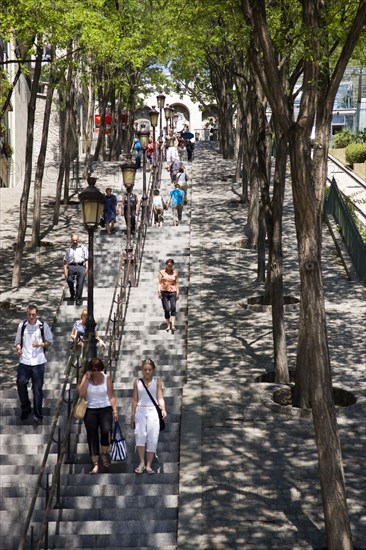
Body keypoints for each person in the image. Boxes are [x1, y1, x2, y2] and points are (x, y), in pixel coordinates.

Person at [77, 357, 119, 474]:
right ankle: (95, 462)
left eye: (98, 369)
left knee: (106, 431)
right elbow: (81, 393)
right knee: (92, 435)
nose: (96, 371)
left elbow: (111, 395)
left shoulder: (106, 378)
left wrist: (115, 410)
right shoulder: (87, 377)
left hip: (105, 408)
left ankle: (104, 454)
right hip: (90, 409)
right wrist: (87, 379)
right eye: (93, 369)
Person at [15, 304, 53, 424]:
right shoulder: (22, 326)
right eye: (29, 314)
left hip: (38, 361)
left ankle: (38, 415)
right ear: (27, 314)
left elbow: (50, 342)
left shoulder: (43, 326)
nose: (31, 316)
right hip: (24, 360)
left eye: (33, 314)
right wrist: (18, 349)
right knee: (21, 384)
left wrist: (40, 344)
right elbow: (17, 341)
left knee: (37, 389)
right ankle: (26, 407)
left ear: (37, 314)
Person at [131, 359, 167, 474]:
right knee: (140, 435)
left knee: (152, 437)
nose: (147, 372)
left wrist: (163, 409)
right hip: (140, 410)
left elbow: (160, 397)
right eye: (145, 369)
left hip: (153, 411)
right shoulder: (137, 382)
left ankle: (149, 465)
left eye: (149, 370)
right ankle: (141, 462)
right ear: (142, 370)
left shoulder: (157, 381)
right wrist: (132, 415)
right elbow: (135, 400)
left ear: (153, 370)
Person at [63, 233, 88, 306]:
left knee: (80, 283)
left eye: (76, 240)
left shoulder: (83, 248)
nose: (75, 242)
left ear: (78, 240)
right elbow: (65, 261)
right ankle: (72, 293)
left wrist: (86, 267)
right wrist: (65, 271)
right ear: (71, 240)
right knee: (69, 280)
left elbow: (86, 259)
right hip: (71, 266)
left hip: (81, 266)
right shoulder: (68, 249)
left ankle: (78, 299)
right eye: (73, 240)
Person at [158, 258, 179, 333]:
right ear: (166, 265)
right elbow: (160, 283)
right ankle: (168, 325)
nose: (169, 266)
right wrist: (159, 292)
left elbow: (176, 283)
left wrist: (178, 293)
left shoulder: (175, 273)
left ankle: (173, 325)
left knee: (173, 307)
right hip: (164, 292)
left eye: (171, 265)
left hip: (173, 292)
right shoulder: (162, 272)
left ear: (172, 265)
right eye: (168, 265)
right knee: (167, 309)